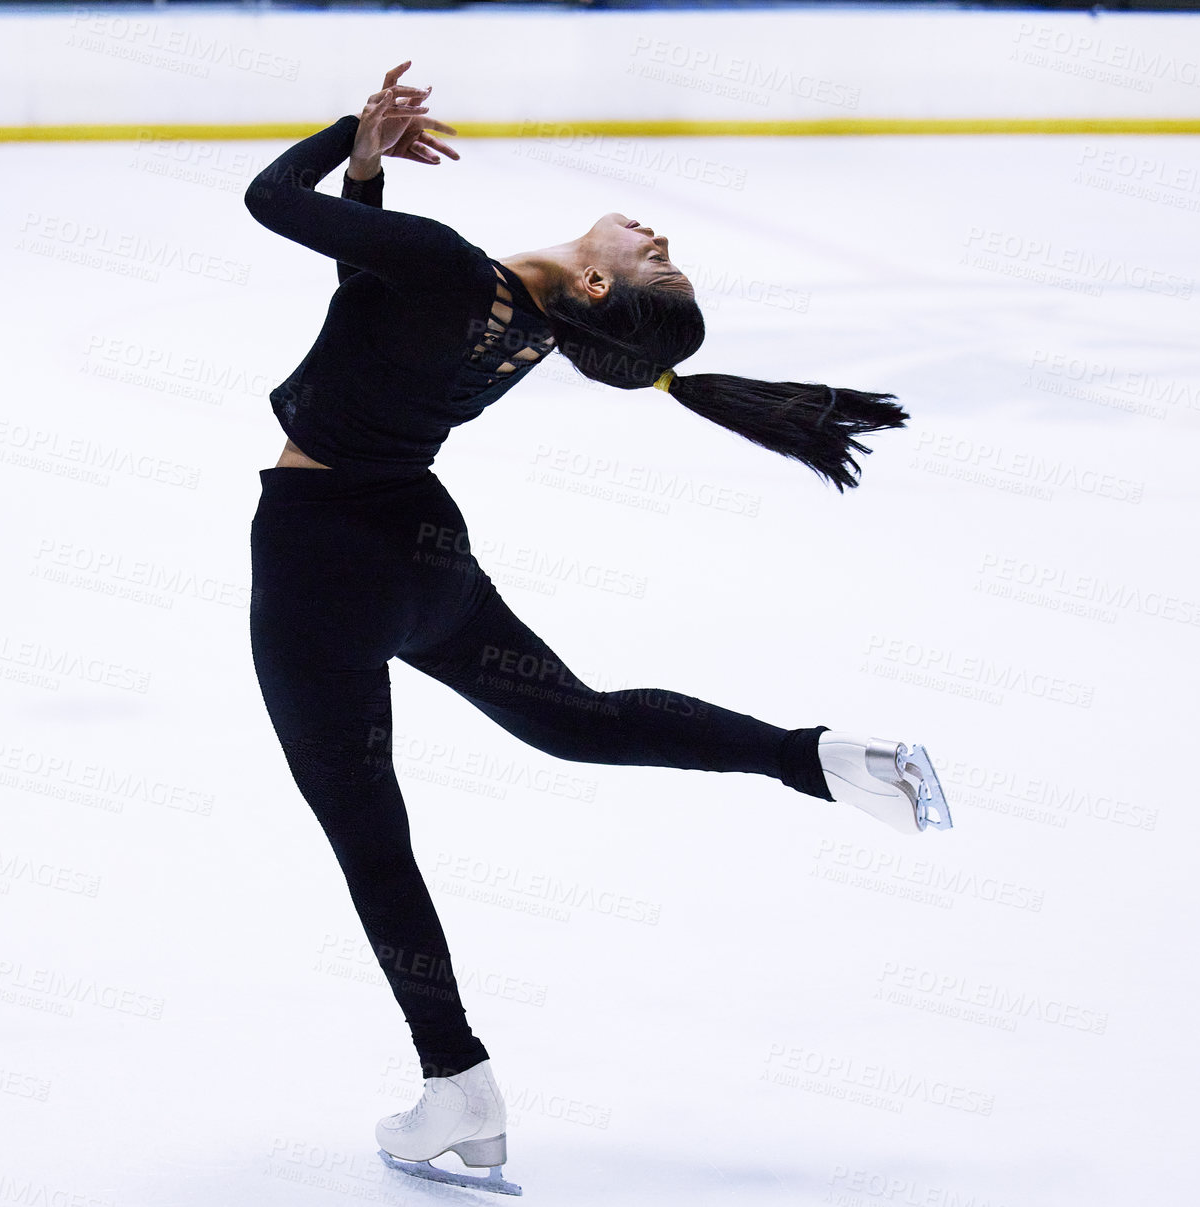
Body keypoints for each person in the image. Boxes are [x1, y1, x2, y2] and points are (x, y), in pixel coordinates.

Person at [242, 61, 952, 1195]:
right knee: (573, 719)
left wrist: (341, 135)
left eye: (652, 257)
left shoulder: (451, 273)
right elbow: (361, 303)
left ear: (588, 281)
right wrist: (368, 171)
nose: (655, 235)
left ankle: (454, 1077)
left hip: (317, 559)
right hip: (419, 555)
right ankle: (807, 757)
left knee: (368, 835)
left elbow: (269, 206)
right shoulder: (519, 328)